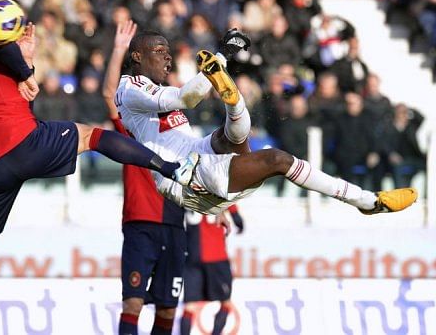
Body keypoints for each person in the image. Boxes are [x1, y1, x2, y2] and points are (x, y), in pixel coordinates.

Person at [0, 0, 195, 334]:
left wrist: (26, 65)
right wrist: (25, 70)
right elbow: (3, 48)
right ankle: (168, 167)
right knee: (90, 136)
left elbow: (14, 103)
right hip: (19, 142)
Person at [115, 29, 417, 221]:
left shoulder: (149, 87)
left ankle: (233, 102)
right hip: (182, 176)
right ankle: (365, 200)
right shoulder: (130, 88)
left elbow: (187, 96)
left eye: (168, 52)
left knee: (230, 133)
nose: (167, 57)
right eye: (158, 52)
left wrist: (219, 62)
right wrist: (220, 57)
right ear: (137, 56)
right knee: (277, 158)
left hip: (196, 153)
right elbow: (188, 97)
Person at [103, 21, 186, 335]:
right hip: (142, 220)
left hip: (176, 220)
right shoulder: (133, 122)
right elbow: (110, 93)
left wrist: (220, 211)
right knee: (133, 303)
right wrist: (118, 50)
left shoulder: (179, 126)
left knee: (168, 307)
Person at [181, 205, 243, 335]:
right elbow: (232, 208)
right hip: (215, 256)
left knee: (190, 306)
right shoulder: (218, 190)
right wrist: (238, 221)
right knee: (226, 302)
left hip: (191, 255)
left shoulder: (186, 190)